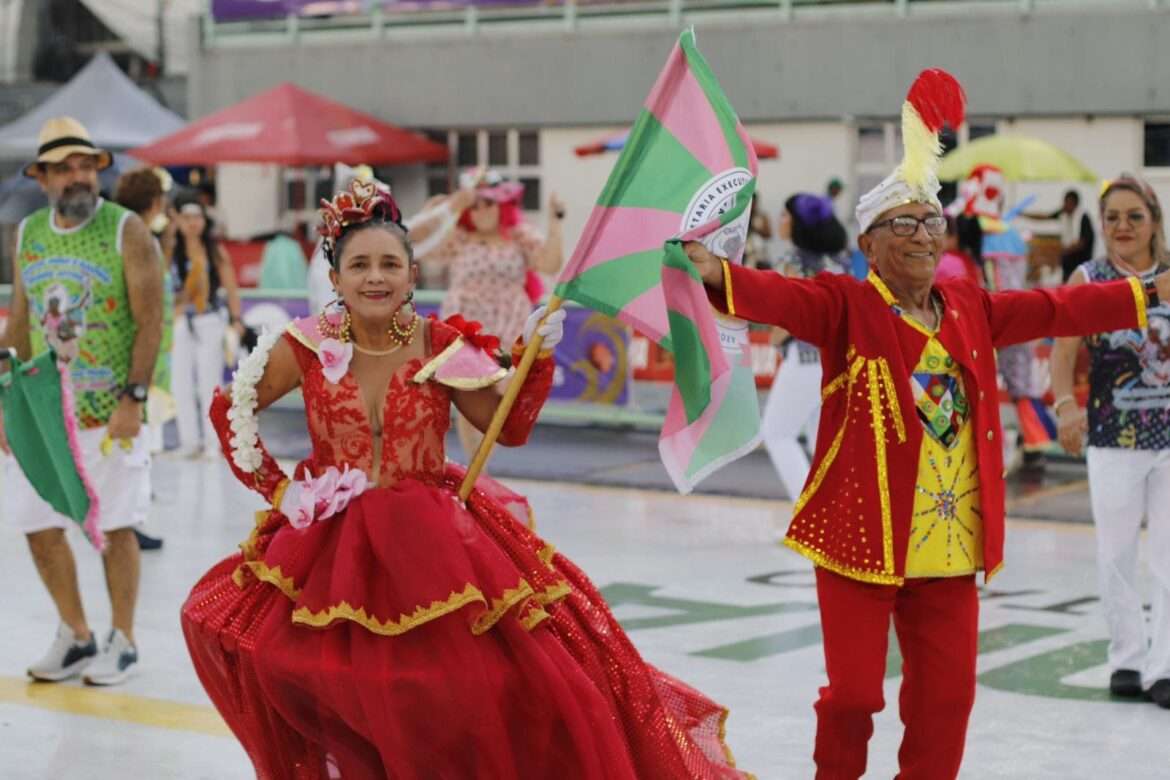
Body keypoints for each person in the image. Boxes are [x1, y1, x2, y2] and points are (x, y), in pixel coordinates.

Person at [180, 181, 749, 779]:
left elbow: (507, 428)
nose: (376, 278)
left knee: (461, 688)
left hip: (432, 546)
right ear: (336, 275)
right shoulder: (304, 344)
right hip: (328, 548)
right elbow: (231, 408)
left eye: (390, 264)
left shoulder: (441, 342)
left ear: (412, 272)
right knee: (327, 678)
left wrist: (534, 360)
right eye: (359, 265)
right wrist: (281, 489)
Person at [684, 69, 1162, 779]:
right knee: (851, 699)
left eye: (929, 221)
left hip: (948, 548)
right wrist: (712, 269)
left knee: (947, 701)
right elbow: (776, 297)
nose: (921, 234)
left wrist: (1144, 293)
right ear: (869, 244)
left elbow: (1058, 309)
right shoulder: (844, 304)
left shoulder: (970, 306)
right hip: (859, 541)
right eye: (901, 223)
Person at [0, 117, 163, 685]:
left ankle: (123, 638)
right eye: (64, 168)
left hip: (108, 410)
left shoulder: (128, 232)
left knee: (117, 526)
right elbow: (18, 323)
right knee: (36, 523)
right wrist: (6, 401)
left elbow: (150, 323)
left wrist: (133, 398)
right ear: (42, 177)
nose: (78, 177)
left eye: (86, 166)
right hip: (45, 412)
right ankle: (75, 632)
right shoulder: (28, 233)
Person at [1050, 174, 1170, 709]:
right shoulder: (1090, 276)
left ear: (1154, 223)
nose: (1122, 227)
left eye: (1134, 217)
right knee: (1116, 553)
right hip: (1112, 436)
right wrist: (1065, 405)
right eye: (1113, 218)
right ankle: (1126, 658)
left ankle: (1164, 667)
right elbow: (1062, 348)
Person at [416, 168, 566, 465]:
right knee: (469, 395)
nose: (482, 210)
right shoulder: (459, 237)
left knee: (501, 394)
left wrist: (555, 221)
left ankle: (480, 469)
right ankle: (476, 471)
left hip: (507, 329)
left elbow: (549, 264)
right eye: (476, 203)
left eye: (489, 202)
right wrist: (439, 210)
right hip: (466, 329)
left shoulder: (518, 235)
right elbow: (420, 247)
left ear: (503, 204)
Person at [957, 164, 1054, 476]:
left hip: (987, 319)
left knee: (981, 386)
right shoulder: (1010, 233)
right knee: (1021, 384)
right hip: (1017, 315)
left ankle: (1004, 448)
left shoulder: (973, 229)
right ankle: (1033, 444)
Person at [760, 193, 848, 501]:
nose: (781, 220)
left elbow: (789, 315)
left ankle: (808, 516)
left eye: (786, 216)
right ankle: (834, 517)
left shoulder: (792, 261)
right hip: (835, 359)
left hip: (805, 358)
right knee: (820, 441)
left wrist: (774, 336)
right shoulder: (840, 261)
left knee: (777, 433)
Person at [113, 167, 174, 551]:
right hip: (144, 360)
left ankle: (130, 519)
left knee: (138, 445)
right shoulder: (137, 242)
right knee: (136, 447)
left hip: (151, 356)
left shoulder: (136, 239)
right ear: (154, 202)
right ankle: (128, 523)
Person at [169, 190, 244, 458]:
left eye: (196, 217)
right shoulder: (170, 249)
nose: (192, 223)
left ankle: (213, 443)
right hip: (180, 319)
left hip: (210, 318)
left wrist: (236, 320)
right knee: (180, 382)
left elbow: (231, 287)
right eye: (186, 217)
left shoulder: (214, 250)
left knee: (209, 382)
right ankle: (188, 441)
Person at [1028, 189, 1095, 281]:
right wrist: (1024, 214)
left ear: (1074, 203)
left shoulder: (1084, 218)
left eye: (1067, 202)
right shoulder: (1063, 213)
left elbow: (1083, 242)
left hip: (1080, 262)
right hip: (1068, 262)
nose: (1065, 205)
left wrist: (1063, 250)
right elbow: (1045, 217)